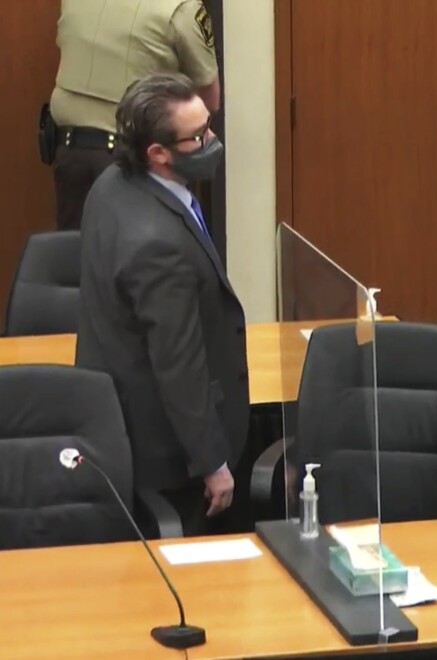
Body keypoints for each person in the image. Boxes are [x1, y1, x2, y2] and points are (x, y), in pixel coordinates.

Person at [75, 73, 248, 536]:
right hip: (170, 459)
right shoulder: (156, 243)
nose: (212, 140)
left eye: (208, 125)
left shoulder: (113, 184)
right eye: (199, 137)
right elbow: (178, 363)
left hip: (120, 424)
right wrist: (212, 462)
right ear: (158, 152)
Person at [49, 0, 220, 230]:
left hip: (71, 154)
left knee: (78, 257)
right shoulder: (179, 8)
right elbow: (208, 99)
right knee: (147, 256)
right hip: (135, 163)